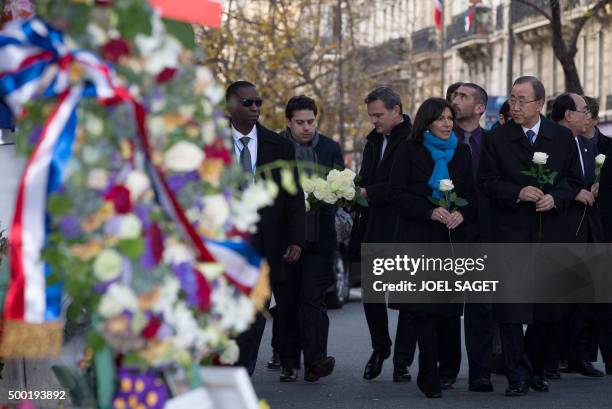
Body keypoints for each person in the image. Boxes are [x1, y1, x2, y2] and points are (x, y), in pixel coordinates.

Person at [479, 76, 582, 396]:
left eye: (523, 100)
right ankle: (516, 375)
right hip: (511, 233)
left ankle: (535, 367)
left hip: (550, 232)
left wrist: (557, 197)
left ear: (540, 103)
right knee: (511, 307)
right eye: (512, 99)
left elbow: (573, 179)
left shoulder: (562, 137)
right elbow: (486, 181)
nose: (516, 106)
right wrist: (516, 191)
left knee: (548, 308)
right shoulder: (498, 138)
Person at [389, 97, 476, 398]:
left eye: (450, 118)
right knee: (422, 310)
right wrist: (429, 211)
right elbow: (396, 194)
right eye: (440, 118)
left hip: (450, 241)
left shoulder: (462, 152)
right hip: (417, 238)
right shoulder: (408, 150)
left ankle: (443, 367)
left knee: (445, 311)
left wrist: (461, 212)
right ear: (426, 122)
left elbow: (473, 195)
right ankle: (428, 371)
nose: (446, 124)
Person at [226, 81, 306, 376]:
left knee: (256, 312)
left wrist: (296, 238)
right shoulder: (210, 143)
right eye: (248, 103)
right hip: (224, 243)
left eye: (258, 102)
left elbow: (293, 195)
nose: (255, 108)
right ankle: (224, 367)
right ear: (231, 106)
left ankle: (242, 373)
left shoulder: (279, 145)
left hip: (265, 242)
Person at [275, 95, 342, 382]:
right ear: (288, 122)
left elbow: (341, 186)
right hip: (285, 238)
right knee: (287, 301)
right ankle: (289, 361)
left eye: (311, 122)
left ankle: (315, 360)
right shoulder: (275, 147)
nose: (306, 128)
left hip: (319, 238)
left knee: (312, 299)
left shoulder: (329, 148)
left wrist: (330, 195)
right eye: (300, 122)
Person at [353, 86, 416, 382]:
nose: (374, 120)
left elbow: (402, 184)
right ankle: (381, 348)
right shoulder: (373, 140)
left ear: (396, 111)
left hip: (404, 225)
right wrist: (349, 190)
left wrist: (366, 192)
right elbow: (367, 176)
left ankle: (402, 360)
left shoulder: (414, 139)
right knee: (372, 293)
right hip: (374, 224)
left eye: (378, 115)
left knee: (407, 298)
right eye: (371, 115)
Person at [550, 93, 606, 378]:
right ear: (568, 114)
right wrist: (575, 193)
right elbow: (551, 180)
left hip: (588, 231)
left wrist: (594, 187)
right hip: (562, 228)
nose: (588, 115)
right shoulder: (552, 142)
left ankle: (580, 357)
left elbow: (584, 180)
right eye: (583, 110)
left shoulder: (585, 144)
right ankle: (552, 359)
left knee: (587, 298)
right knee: (560, 298)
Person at [451, 83, 495, 392]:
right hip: (446, 232)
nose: (455, 100)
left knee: (480, 307)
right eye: (454, 96)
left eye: (463, 97)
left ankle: (481, 372)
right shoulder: (439, 140)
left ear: (479, 108)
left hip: (483, 234)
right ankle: (446, 368)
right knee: (446, 306)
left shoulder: (493, 142)